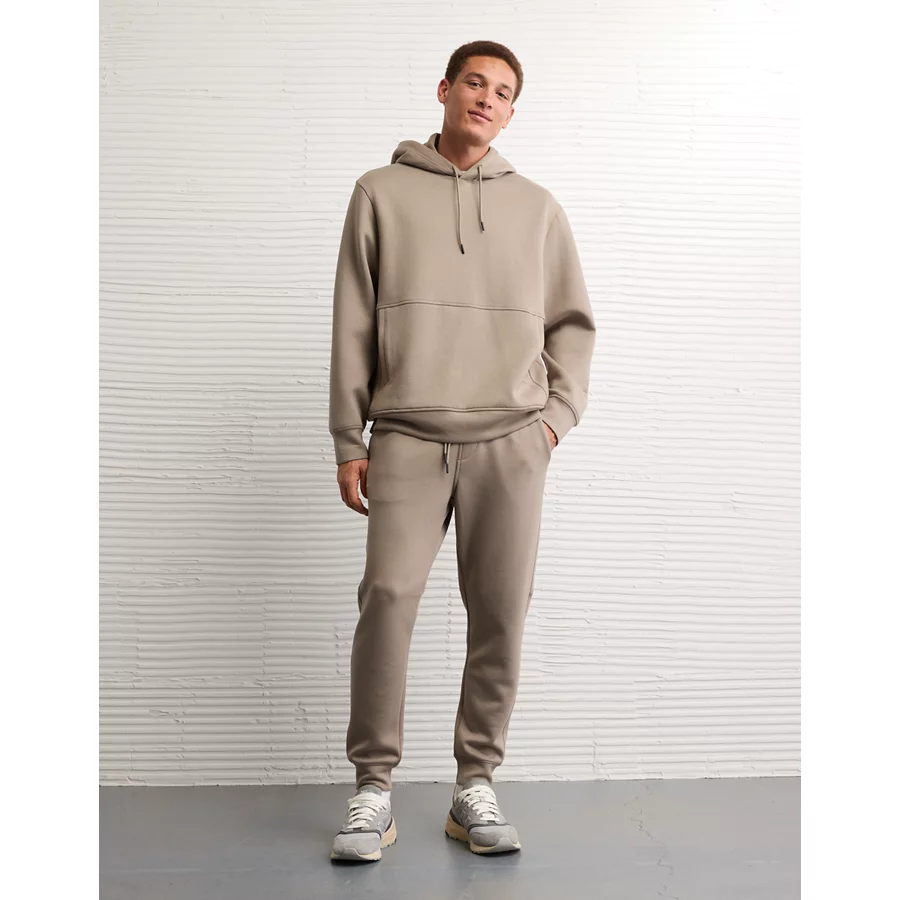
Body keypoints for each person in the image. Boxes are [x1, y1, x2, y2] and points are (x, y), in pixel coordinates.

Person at [328, 40, 596, 862]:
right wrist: (348, 435)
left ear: (511, 113)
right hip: (406, 433)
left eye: (502, 91)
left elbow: (572, 326)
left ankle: (474, 783)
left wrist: (551, 421)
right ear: (445, 90)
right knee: (387, 600)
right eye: (474, 82)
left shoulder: (538, 208)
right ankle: (373, 788)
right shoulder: (379, 192)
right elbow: (354, 319)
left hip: (511, 440)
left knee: (500, 611)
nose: (486, 98)